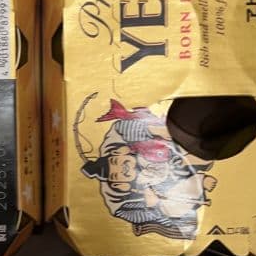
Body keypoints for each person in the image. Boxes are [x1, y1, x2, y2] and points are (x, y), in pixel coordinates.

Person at [81, 101, 217, 240]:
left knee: (195, 151)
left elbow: (121, 127)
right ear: (119, 184)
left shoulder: (116, 143)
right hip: (171, 191)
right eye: (115, 175)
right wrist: (152, 205)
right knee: (170, 208)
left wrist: (154, 130)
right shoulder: (118, 202)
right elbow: (135, 215)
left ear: (120, 152)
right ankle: (199, 181)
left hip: (172, 156)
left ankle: (198, 161)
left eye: (115, 162)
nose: (121, 168)